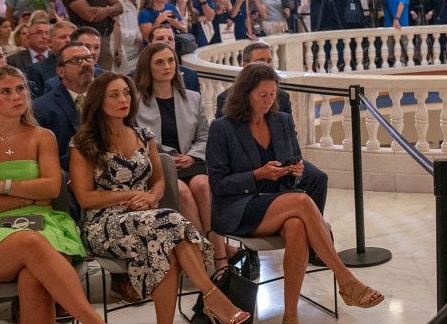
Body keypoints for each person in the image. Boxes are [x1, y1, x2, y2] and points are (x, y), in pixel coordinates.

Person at [207, 64, 383, 318]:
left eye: (272, 94)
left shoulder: (282, 121)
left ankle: (291, 316)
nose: (269, 101)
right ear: (245, 94)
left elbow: (294, 163)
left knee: (296, 227)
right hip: (238, 207)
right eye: (262, 95)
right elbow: (218, 185)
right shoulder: (222, 128)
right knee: (301, 202)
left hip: (277, 199)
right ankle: (345, 278)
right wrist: (258, 175)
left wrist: (294, 169)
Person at [70, 72, 247, 323]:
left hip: (149, 218)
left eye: (127, 92)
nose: (124, 98)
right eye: (114, 94)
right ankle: (211, 294)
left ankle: (190, 307)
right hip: (103, 224)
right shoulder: (83, 142)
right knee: (170, 225)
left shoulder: (144, 135)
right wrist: (135, 194)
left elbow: (160, 181)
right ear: (98, 101)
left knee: (165, 243)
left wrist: (151, 198)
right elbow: (85, 198)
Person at [0, 66, 105, 324]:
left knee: (34, 278)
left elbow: (52, 189)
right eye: (6, 92)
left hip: (48, 225)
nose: (16, 96)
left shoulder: (43, 137)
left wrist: (3, 187)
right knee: (29, 242)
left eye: (20, 89)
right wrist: (31, 196)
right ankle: (91, 319)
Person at [132, 43, 229, 267]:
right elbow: (136, 141)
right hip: (159, 165)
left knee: (203, 186)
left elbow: (205, 136)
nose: (167, 66)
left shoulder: (192, 97)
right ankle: (212, 254)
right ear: (148, 67)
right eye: (159, 62)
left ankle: (217, 256)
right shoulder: (135, 101)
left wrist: (193, 156)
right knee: (183, 192)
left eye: (170, 61)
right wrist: (168, 158)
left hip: (192, 161)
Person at [32, 42, 98, 170]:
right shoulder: (41, 108)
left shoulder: (108, 98)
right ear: (61, 71)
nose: (85, 64)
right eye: (76, 60)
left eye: (88, 58)